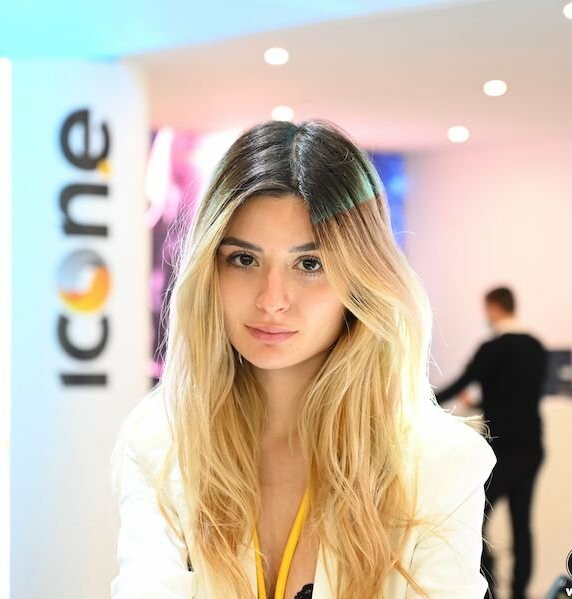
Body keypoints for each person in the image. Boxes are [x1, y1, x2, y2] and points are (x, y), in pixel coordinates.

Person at [111, 120, 496, 599]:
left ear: (361, 277)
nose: (272, 300)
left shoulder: (438, 463)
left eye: (310, 264)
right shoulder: (161, 445)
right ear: (210, 270)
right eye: (244, 260)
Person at [435, 287, 548, 599]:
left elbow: (461, 382)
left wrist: (422, 402)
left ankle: (491, 590)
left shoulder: (492, 348)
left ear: (493, 308)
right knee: (522, 525)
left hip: (502, 450)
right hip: (532, 448)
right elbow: (520, 396)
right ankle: (520, 592)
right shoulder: (536, 347)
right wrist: (480, 403)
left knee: (474, 520)